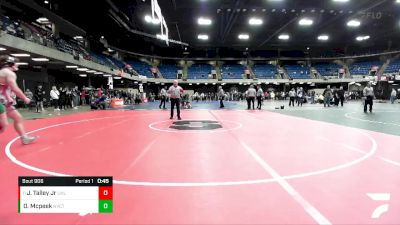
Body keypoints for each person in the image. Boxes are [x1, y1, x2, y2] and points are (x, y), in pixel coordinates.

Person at [0, 55, 38, 144]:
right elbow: (15, 88)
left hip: (3, 102)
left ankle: (24, 138)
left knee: (18, 118)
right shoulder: (9, 73)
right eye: (16, 63)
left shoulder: (3, 72)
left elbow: (4, 89)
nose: (17, 65)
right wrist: (25, 98)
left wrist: (9, 98)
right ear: (11, 64)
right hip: (1, 102)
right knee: (3, 124)